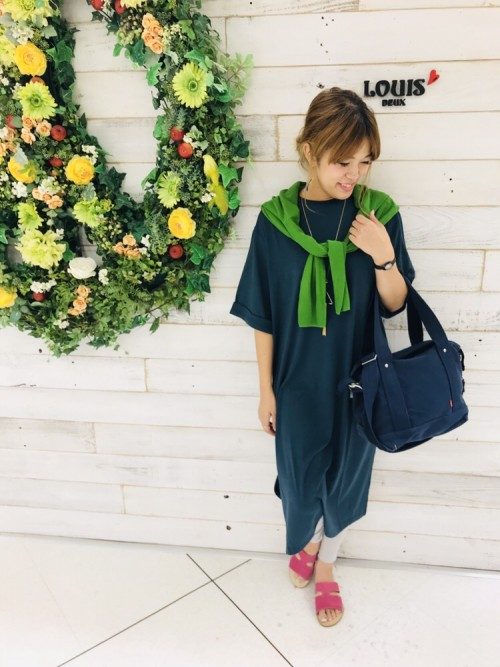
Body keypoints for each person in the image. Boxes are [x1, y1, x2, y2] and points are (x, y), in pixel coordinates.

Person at [229, 87, 416, 627]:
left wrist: (383, 256)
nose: (354, 175)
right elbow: (263, 314)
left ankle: (327, 562)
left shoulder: (378, 216)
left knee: (347, 478)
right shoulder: (276, 222)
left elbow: (396, 304)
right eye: (342, 161)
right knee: (300, 478)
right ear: (309, 150)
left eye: (365, 162)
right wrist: (265, 390)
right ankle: (308, 538)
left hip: (361, 379)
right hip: (297, 381)